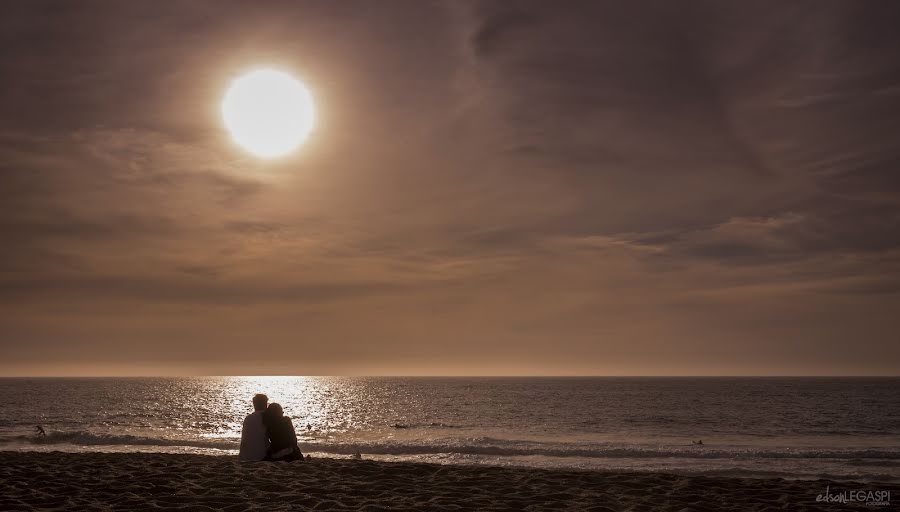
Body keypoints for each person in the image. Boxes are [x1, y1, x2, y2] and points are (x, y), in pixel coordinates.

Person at [239, 394, 270, 461]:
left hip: (245, 456)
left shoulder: (248, 418)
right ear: (265, 404)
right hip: (261, 456)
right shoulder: (266, 417)